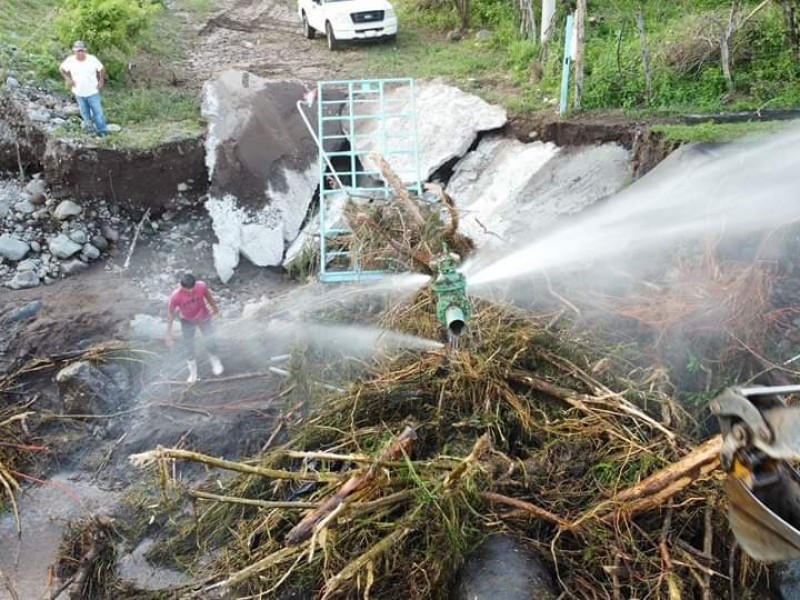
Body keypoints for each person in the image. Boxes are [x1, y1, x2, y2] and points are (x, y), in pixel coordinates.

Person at [165, 273, 224, 383]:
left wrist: (215, 308)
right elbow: (170, 314)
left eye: (192, 288)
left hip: (203, 316)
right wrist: (168, 333)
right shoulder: (175, 296)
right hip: (187, 321)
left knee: (210, 339)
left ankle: (215, 361)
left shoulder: (201, 286)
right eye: (188, 290)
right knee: (189, 346)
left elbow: (209, 297)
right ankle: (193, 373)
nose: (191, 291)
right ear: (182, 286)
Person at [59, 40, 108, 137]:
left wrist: (101, 81)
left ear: (85, 50)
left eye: (82, 50)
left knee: (98, 113)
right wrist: (68, 79)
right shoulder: (70, 60)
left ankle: (102, 133)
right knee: (85, 114)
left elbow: (101, 69)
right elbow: (61, 69)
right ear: (74, 51)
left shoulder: (92, 59)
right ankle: (90, 132)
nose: (80, 53)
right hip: (79, 93)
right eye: (78, 51)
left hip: (92, 92)